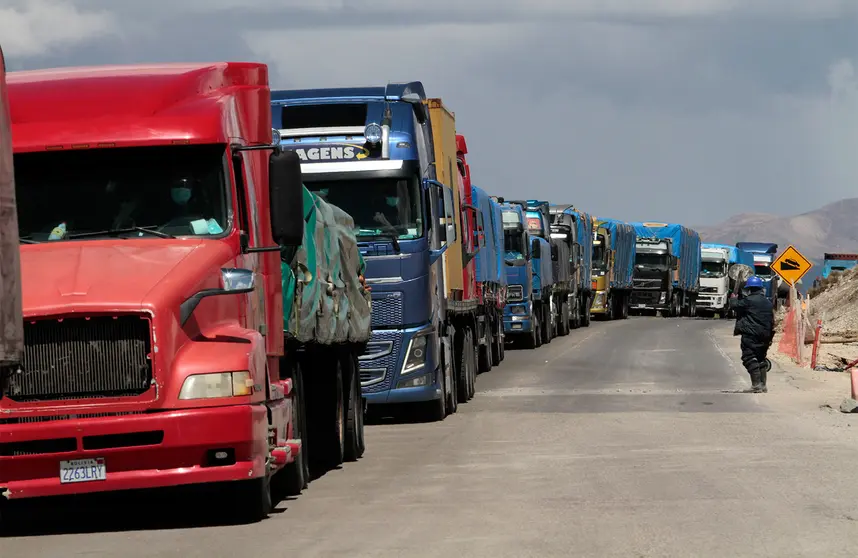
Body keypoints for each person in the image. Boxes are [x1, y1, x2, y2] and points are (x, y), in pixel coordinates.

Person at [729, 276, 775, 393]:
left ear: (749, 289)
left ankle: (756, 385)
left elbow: (734, 306)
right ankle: (763, 385)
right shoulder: (767, 302)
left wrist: (733, 298)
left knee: (749, 358)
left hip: (751, 335)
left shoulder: (749, 301)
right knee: (761, 358)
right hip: (765, 336)